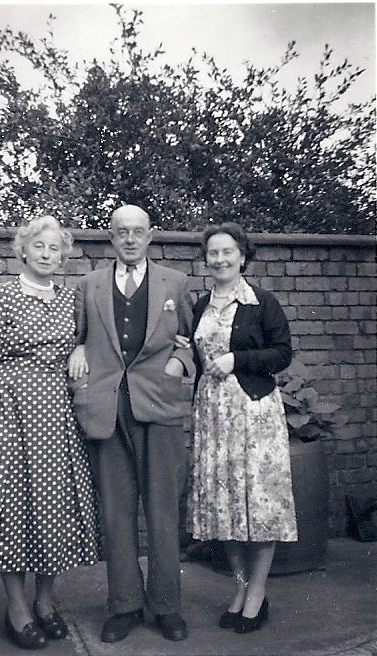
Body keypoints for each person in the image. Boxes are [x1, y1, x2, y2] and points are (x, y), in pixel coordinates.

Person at [0, 215, 100, 650]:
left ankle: (45, 601)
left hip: (56, 415)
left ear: (64, 255)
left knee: (52, 510)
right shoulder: (1, 294)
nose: (48, 255)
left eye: (56, 249)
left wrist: (79, 346)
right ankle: (16, 608)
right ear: (23, 250)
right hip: (12, 414)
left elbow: (89, 338)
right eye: (40, 247)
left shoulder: (70, 299)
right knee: (13, 510)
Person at [68, 204, 195, 643]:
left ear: (150, 236)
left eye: (137, 231)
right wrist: (78, 349)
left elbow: (193, 341)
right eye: (121, 232)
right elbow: (78, 336)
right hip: (106, 409)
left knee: (162, 511)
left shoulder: (175, 283)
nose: (129, 238)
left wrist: (180, 362)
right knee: (115, 513)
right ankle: (124, 606)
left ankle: (166, 607)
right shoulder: (89, 285)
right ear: (111, 237)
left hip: (157, 406)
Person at [185, 221, 298, 633]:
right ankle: (240, 587)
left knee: (259, 505)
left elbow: (282, 353)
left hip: (254, 414)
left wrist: (237, 360)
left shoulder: (261, 302)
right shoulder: (200, 305)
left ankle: (256, 594)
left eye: (227, 252)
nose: (219, 259)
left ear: (243, 256)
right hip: (212, 417)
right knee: (223, 508)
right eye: (212, 253)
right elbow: (187, 352)